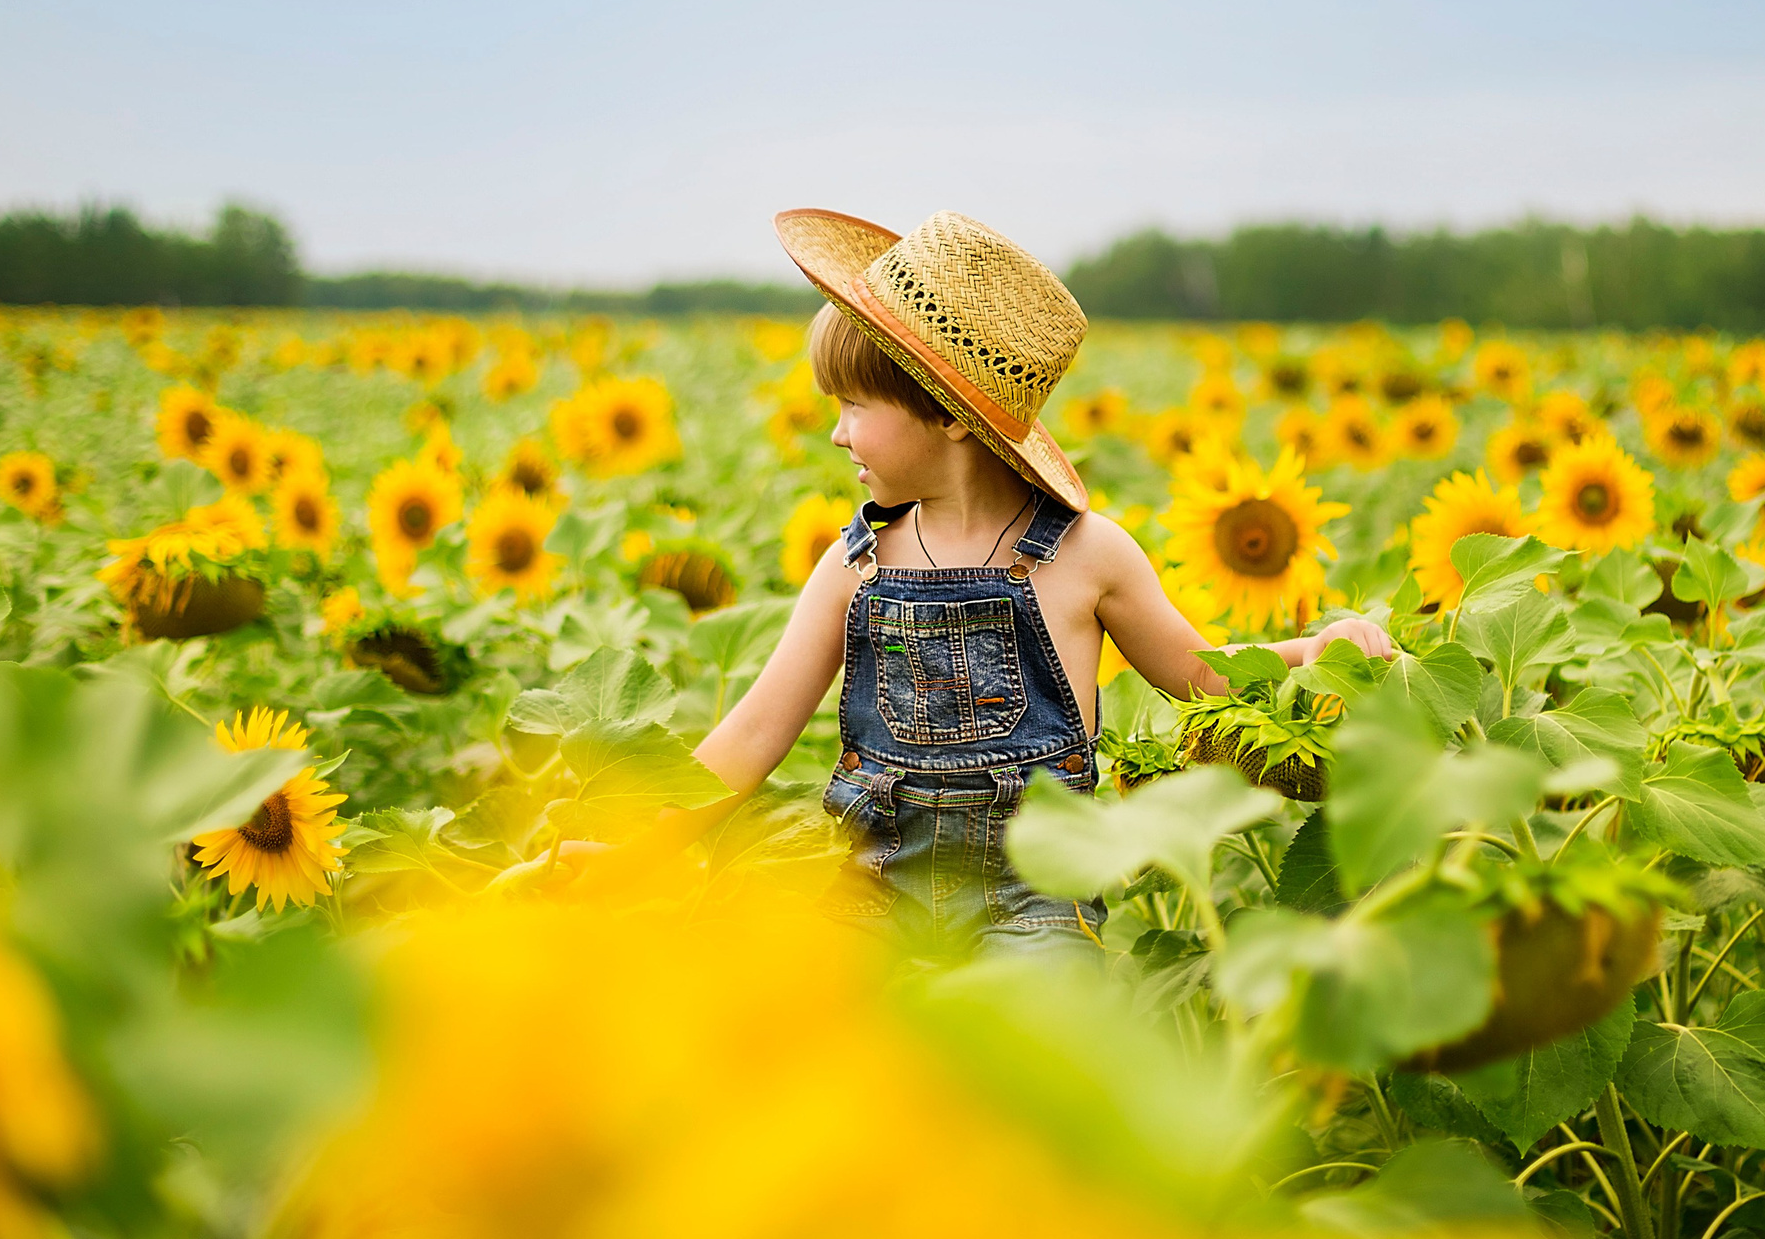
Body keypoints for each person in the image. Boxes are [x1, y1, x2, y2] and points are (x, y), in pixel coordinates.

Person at [575, 209, 1392, 957]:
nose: (835, 431)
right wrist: (639, 846)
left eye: (855, 404)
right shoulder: (857, 562)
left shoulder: (1088, 555)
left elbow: (1203, 673)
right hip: (872, 894)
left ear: (949, 412)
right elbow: (753, 734)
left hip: (1032, 902)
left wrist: (1314, 650)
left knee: (1040, 1045)